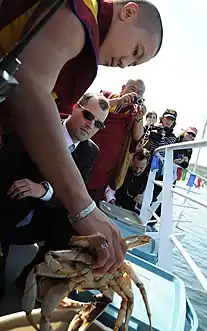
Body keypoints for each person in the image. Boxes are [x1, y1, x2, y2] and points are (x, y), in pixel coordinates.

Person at [0, 0, 163, 274]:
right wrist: (83, 208)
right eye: (135, 51)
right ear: (129, 11)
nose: (125, 64)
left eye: (135, 62)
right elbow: (29, 85)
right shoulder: (79, 16)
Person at [0, 92, 109, 300]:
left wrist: (45, 191)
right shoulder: (39, 125)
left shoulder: (89, 152)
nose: (91, 125)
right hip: (7, 213)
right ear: (76, 106)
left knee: (73, 221)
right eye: (88, 116)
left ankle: (31, 279)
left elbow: (78, 194)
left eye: (98, 124)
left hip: (39, 221)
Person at [88, 79, 146, 202]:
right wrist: (119, 101)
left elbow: (137, 137)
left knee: (93, 196)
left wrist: (139, 118)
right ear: (123, 88)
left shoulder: (134, 112)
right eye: (132, 89)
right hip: (88, 149)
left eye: (139, 92)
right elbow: (94, 106)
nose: (135, 94)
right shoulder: (107, 96)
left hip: (107, 161)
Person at [106, 149, 150, 213]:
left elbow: (148, 201)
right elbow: (110, 188)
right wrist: (111, 200)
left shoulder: (149, 180)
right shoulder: (123, 171)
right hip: (116, 205)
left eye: (141, 168)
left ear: (146, 165)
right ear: (132, 161)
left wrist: (143, 200)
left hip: (133, 211)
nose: (138, 171)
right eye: (136, 167)